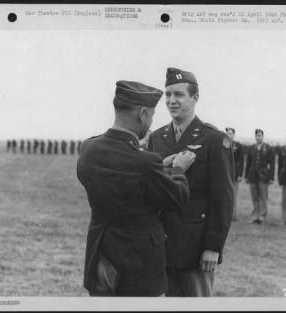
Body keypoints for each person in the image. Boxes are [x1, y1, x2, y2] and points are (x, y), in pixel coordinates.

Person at [77, 80, 196, 297]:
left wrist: (157, 164)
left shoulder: (88, 148)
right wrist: (178, 169)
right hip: (140, 266)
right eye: (151, 116)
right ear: (142, 113)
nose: (150, 123)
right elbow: (178, 198)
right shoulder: (145, 163)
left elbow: (122, 171)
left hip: (101, 259)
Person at [148, 67, 234, 297]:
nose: (171, 101)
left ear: (195, 98)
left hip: (195, 248)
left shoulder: (214, 140)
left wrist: (213, 247)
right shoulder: (156, 138)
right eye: (167, 95)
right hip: (162, 243)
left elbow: (223, 199)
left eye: (178, 94)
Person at [245, 129, 275, 224]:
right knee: (255, 197)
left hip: (263, 176)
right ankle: (255, 216)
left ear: (263, 136)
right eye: (257, 135)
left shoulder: (268, 148)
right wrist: (246, 176)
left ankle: (262, 216)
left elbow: (272, 164)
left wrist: (271, 177)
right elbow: (248, 163)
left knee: (263, 197)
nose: (259, 137)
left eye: (260, 135)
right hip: (253, 175)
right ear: (255, 137)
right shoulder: (252, 148)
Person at [225, 127, 244, 221]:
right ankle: (225, 215)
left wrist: (240, 174)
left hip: (235, 175)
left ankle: (233, 216)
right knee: (225, 195)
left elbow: (241, 161)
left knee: (233, 195)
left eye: (231, 133)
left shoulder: (238, 146)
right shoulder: (222, 144)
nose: (229, 135)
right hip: (224, 175)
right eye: (227, 133)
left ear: (234, 135)